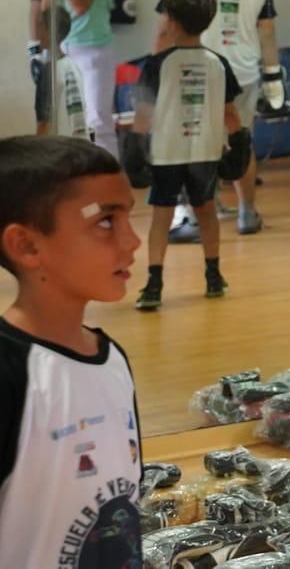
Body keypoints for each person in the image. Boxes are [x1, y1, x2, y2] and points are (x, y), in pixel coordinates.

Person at [0, 135, 143, 567]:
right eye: (105, 222)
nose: (133, 241)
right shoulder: (10, 374)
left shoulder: (113, 358)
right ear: (26, 246)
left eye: (128, 218)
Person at [158, 0, 280, 235]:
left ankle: (193, 218)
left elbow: (164, 31)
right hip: (244, 72)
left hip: (196, 71)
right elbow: (266, 31)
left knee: (193, 143)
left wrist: (158, 72)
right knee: (241, 142)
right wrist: (273, 78)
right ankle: (247, 214)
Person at [130, 0, 243, 310]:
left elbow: (143, 113)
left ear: (173, 23)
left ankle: (154, 284)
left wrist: (135, 147)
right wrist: (238, 143)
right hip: (205, 150)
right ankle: (213, 276)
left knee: (161, 216)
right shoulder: (219, 63)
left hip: (167, 151)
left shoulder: (157, 64)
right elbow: (231, 113)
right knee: (206, 212)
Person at [41, 0, 118, 158]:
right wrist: (39, 51)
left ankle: (109, 168)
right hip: (65, 50)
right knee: (66, 116)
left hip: (93, 49)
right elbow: (45, 14)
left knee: (97, 116)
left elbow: (80, 6)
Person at [33, 6, 90, 141]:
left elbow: (45, 123)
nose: (37, 31)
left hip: (58, 149)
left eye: (40, 26)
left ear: (49, 31)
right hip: (79, 145)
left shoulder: (49, 72)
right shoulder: (73, 66)